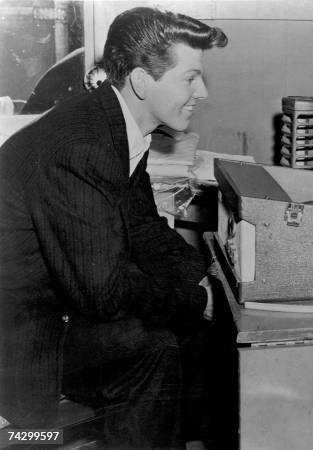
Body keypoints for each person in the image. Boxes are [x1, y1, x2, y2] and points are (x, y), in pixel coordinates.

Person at [0, 7, 227, 448]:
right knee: (151, 347)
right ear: (142, 81)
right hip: (22, 341)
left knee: (199, 330)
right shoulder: (83, 145)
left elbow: (143, 228)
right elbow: (103, 294)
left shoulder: (117, 122)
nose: (202, 92)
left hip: (52, 308)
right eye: (189, 78)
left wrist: (205, 278)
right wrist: (198, 300)